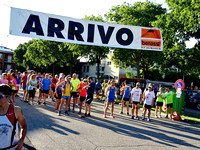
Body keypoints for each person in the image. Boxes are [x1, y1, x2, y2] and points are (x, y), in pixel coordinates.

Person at [0, 84, 27, 150]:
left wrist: (21, 141)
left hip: (12, 148)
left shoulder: (16, 110)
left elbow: (24, 126)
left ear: (8, 97)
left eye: (0, 96)